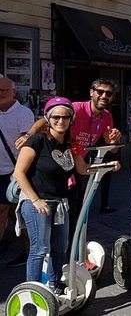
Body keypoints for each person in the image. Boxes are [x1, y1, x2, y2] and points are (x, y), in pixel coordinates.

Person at [13, 97, 120, 290]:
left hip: (61, 203)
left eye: (65, 117)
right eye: (55, 117)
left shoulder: (72, 145)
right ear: (47, 118)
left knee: (59, 249)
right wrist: (36, 200)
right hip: (37, 202)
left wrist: (107, 165)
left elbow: (83, 169)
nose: (60, 121)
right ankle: (32, 290)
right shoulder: (37, 141)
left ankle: (55, 286)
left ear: (71, 119)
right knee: (39, 249)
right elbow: (19, 173)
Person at [17, 79, 123, 219]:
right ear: (91, 92)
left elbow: (112, 148)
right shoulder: (77, 108)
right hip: (61, 156)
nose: (104, 96)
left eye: (108, 93)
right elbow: (46, 119)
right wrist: (29, 135)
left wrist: (116, 139)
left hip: (78, 157)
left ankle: (71, 237)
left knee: (77, 207)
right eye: (100, 91)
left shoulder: (107, 116)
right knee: (62, 202)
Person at [0, 78, 34, 267]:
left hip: (16, 171)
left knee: (19, 213)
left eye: (5, 90)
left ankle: (29, 250)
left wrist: (21, 171)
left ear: (14, 92)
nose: (1, 93)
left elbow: (26, 143)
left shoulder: (23, 113)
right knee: (5, 211)